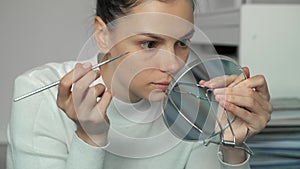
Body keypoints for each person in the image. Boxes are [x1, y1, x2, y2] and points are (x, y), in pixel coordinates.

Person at [7, 0, 272, 169]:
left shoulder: (194, 104)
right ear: (103, 35)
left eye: (181, 43)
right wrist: (89, 137)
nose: (173, 65)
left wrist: (230, 145)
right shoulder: (37, 92)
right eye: (149, 43)